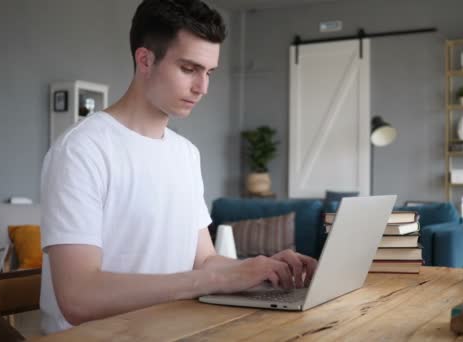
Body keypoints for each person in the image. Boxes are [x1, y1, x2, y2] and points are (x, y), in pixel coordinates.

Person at [39, 0, 317, 334]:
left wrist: (260, 268)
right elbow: (78, 297)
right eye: (189, 69)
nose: (202, 88)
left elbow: (204, 261)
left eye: (209, 72)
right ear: (145, 59)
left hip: (175, 331)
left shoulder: (186, 154)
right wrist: (208, 279)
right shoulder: (82, 150)